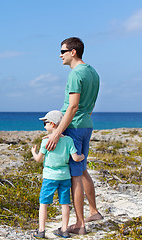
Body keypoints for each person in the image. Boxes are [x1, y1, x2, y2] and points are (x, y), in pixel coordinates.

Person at [45, 37, 102, 235]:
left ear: (73, 52)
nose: (60, 55)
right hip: (86, 124)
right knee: (82, 168)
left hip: (75, 127)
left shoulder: (75, 74)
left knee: (75, 175)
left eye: (62, 51)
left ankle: (79, 224)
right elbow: (90, 105)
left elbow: (73, 106)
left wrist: (57, 132)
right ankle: (93, 211)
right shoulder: (93, 72)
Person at [31, 110, 85, 239]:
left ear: (53, 124)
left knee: (43, 203)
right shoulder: (68, 140)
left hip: (50, 176)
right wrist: (83, 156)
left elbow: (38, 159)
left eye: (45, 123)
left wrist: (33, 152)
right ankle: (64, 230)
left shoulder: (46, 141)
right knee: (65, 204)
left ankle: (41, 230)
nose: (44, 126)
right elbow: (76, 158)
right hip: (65, 176)